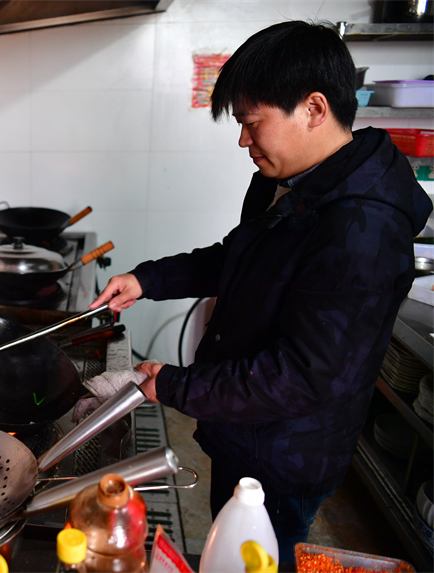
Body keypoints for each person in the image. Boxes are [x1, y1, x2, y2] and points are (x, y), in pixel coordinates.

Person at [87, 20, 433, 563]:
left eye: (253, 122)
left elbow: (301, 377)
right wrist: (148, 279)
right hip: (244, 431)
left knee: (258, 556)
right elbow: (236, 259)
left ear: (314, 109)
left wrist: (177, 386)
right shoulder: (290, 181)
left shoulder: (362, 231)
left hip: (284, 454)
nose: (243, 140)